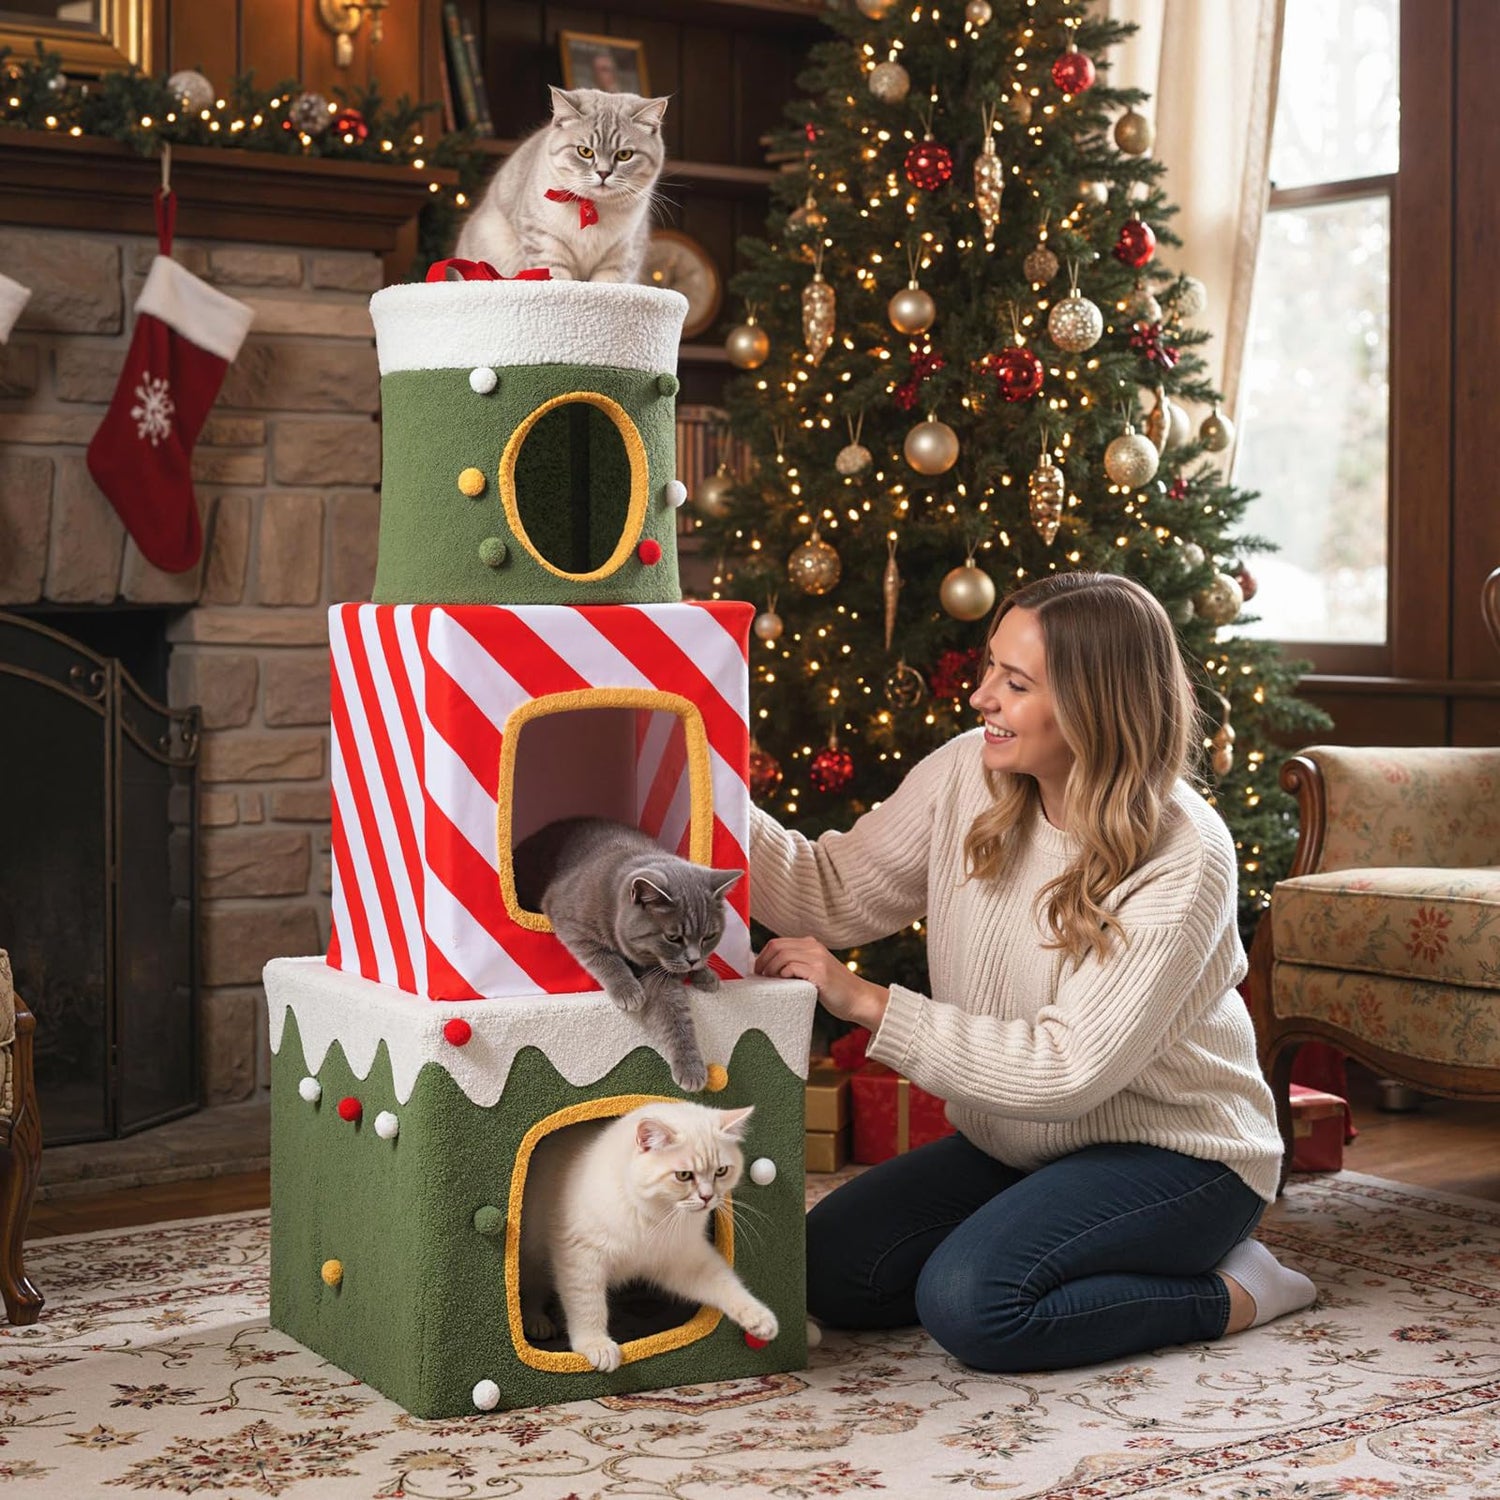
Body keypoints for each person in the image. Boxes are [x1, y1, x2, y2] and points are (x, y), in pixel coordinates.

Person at [753, 571, 1316, 1372]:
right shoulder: (968, 771)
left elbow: (1069, 1070)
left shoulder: (1184, 850)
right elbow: (831, 890)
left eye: (1014, 684)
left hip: (1181, 1156)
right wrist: (694, 783)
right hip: (1017, 1142)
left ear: (1095, 705)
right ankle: (1052, 1241)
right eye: (989, 670)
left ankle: (1238, 1288)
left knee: (973, 1304)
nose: (982, 697)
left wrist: (868, 1002)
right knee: (820, 1271)